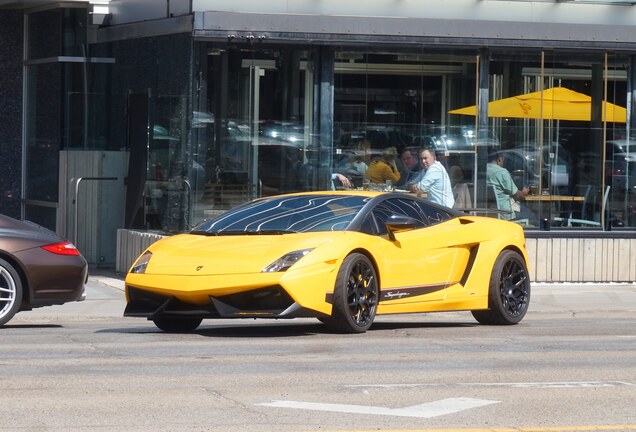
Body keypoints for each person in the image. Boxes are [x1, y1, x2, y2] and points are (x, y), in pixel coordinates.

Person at [487, 151, 529, 220]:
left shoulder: (482, 170)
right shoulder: (502, 172)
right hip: (504, 213)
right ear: (499, 159)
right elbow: (517, 194)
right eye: (504, 160)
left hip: (489, 212)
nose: (504, 162)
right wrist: (524, 192)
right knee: (532, 214)